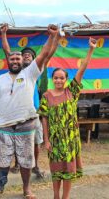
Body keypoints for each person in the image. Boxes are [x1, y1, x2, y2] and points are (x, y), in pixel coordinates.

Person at [0, 24, 59, 199]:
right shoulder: (0, 79)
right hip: (5, 127)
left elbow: (45, 53)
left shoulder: (30, 73)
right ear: (7, 61)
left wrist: (52, 36)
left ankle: (26, 189)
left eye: (18, 59)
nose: (15, 61)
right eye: (12, 59)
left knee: (26, 162)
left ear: (23, 61)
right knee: (2, 161)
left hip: (26, 125)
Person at [38, 38, 97, 199]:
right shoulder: (46, 96)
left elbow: (82, 69)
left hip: (70, 139)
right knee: (56, 171)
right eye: (55, 78)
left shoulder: (71, 92)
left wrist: (91, 49)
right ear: (52, 79)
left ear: (66, 79)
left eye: (61, 78)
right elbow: (44, 118)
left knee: (68, 172)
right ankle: (56, 196)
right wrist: (47, 139)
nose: (58, 80)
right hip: (55, 140)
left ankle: (65, 197)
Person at [0, 24, 60, 177]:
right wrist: (3, 34)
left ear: (34, 59)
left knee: (36, 142)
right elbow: (7, 52)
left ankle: (35, 166)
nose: (26, 55)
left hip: (35, 113)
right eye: (24, 54)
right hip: (18, 115)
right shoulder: (18, 71)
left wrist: (55, 37)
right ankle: (17, 164)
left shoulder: (36, 71)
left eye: (30, 55)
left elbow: (48, 53)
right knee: (16, 142)